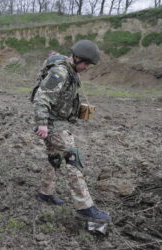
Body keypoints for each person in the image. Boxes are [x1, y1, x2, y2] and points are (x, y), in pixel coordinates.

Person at [32, 40, 111, 222]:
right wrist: (42, 123)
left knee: (54, 157)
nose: (86, 68)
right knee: (72, 157)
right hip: (52, 123)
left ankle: (46, 192)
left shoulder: (71, 70)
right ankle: (85, 207)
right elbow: (42, 96)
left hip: (59, 120)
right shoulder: (60, 72)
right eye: (86, 64)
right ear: (76, 58)